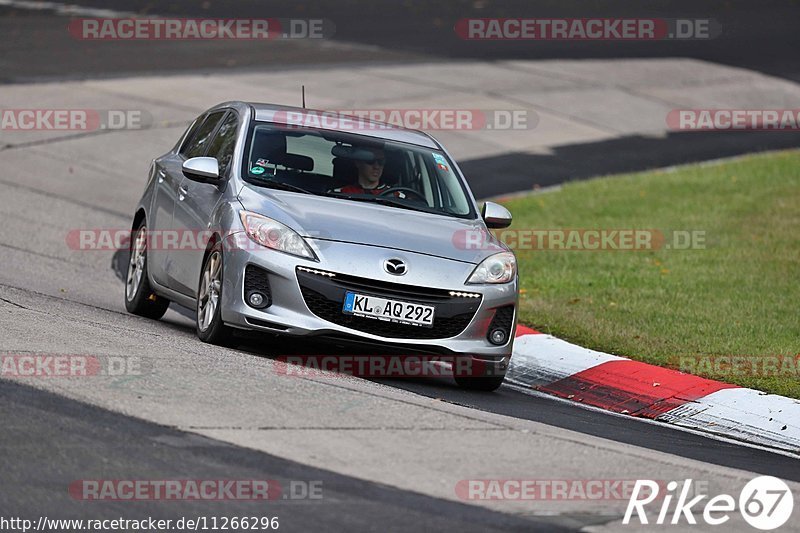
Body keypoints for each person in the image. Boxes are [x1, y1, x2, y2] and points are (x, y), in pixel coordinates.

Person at [330, 147, 395, 195]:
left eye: (381, 162)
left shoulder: (396, 196)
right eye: (370, 161)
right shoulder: (338, 194)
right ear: (358, 163)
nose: (376, 167)